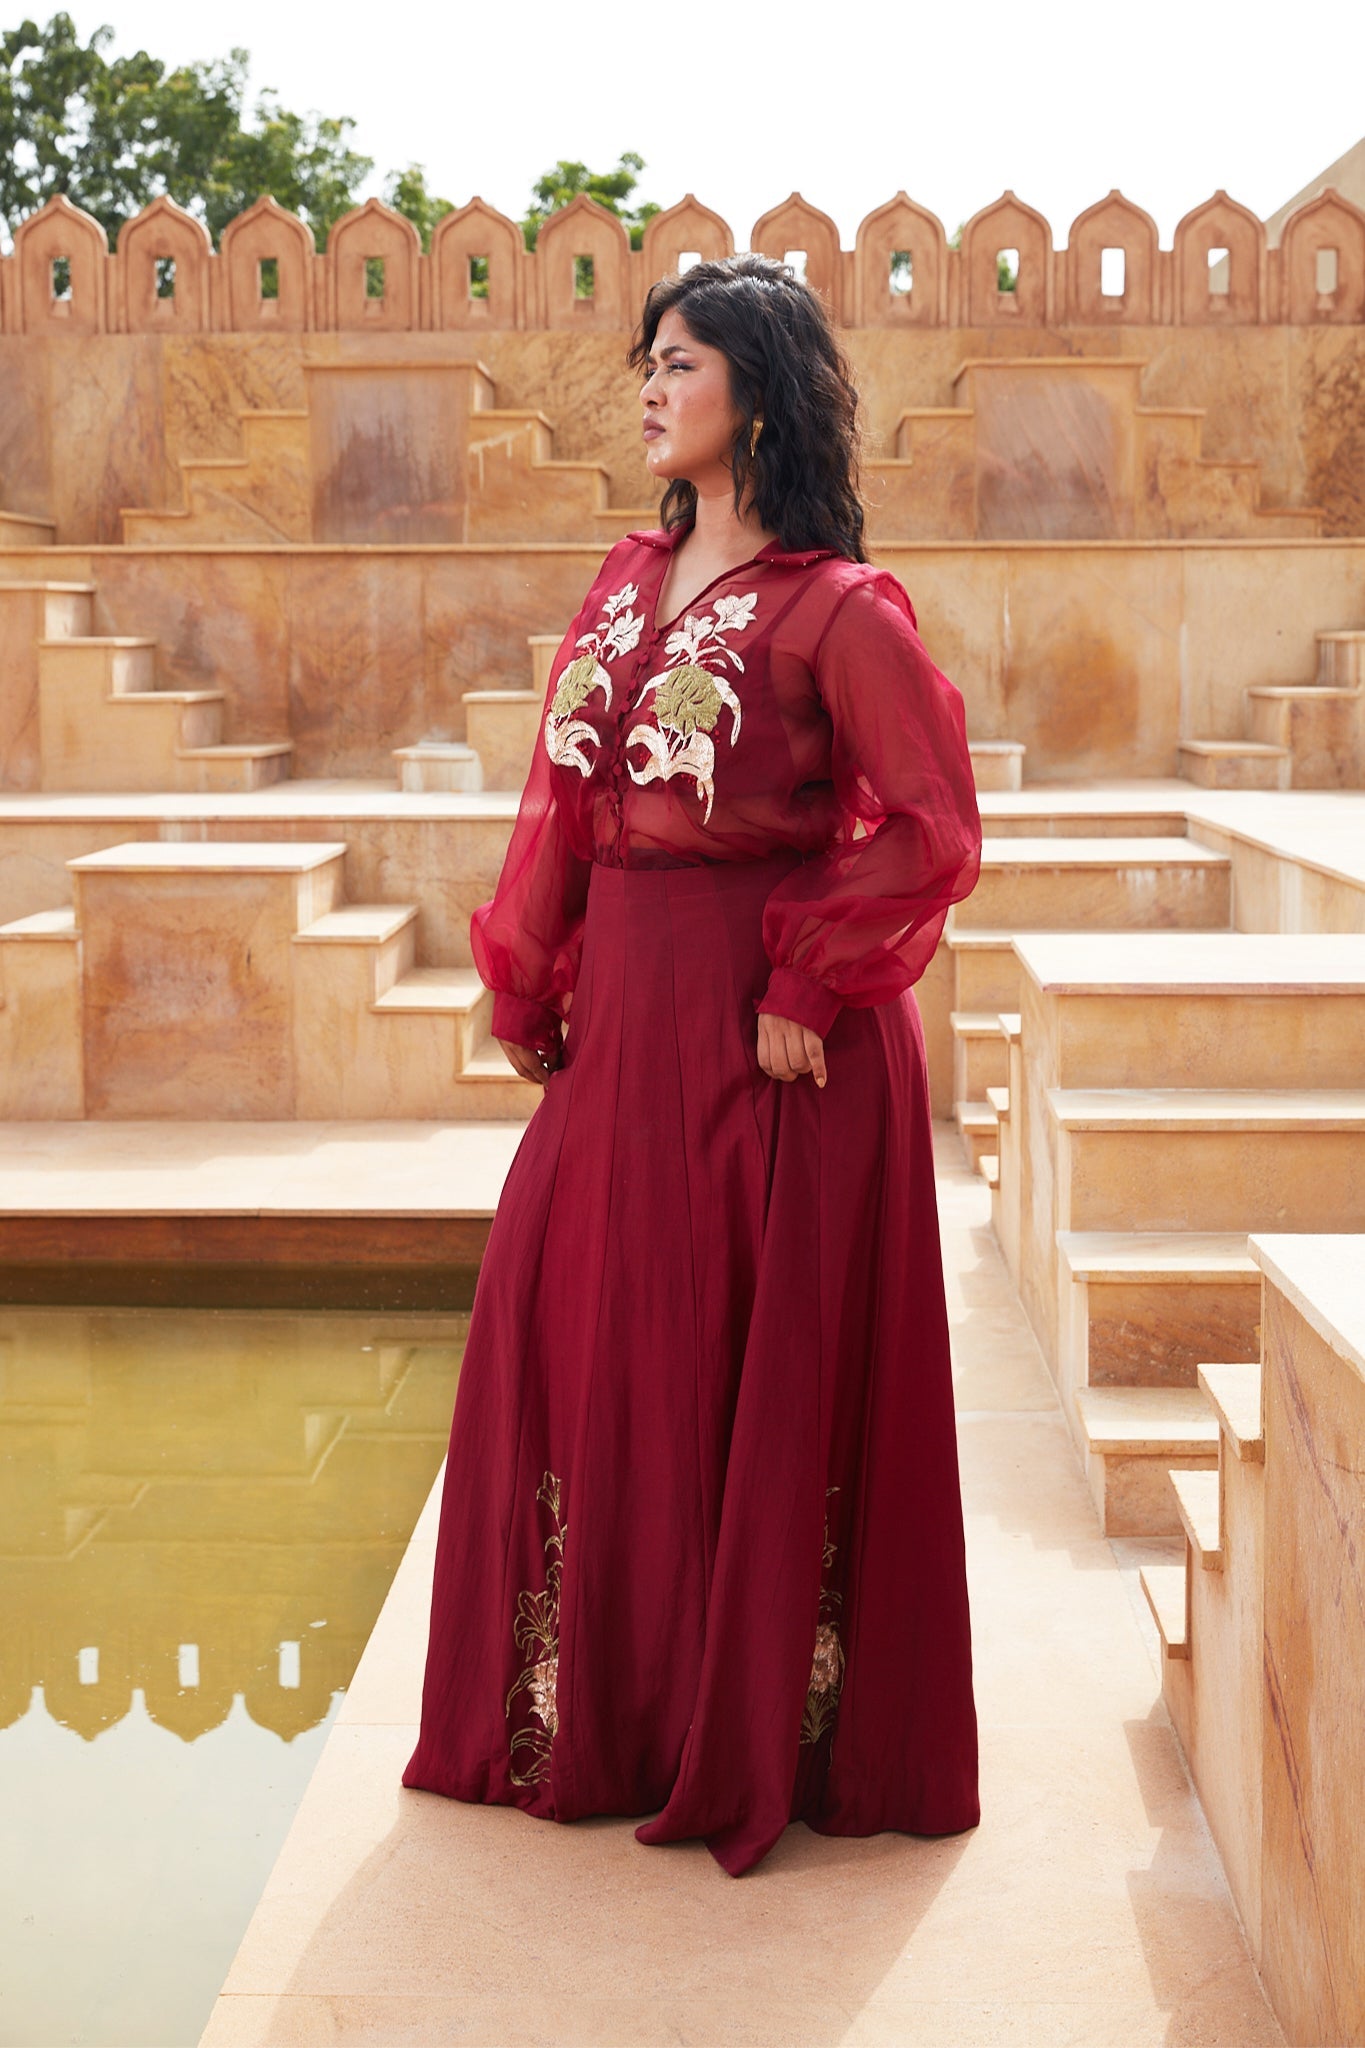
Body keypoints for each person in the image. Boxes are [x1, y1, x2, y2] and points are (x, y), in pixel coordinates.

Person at [401, 252, 983, 1877]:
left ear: (757, 391)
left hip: (774, 1037)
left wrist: (812, 968)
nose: (649, 387)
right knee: (573, 1321)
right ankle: (610, 1709)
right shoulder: (617, 577)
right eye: (644, 363)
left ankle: (759, 1735)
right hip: (634, 1016)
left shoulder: (836, 607)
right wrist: (533, 972)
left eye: (679, 362)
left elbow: (934, 824)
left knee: (741, 1351)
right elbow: (564, 801)